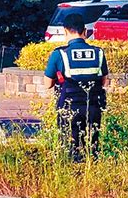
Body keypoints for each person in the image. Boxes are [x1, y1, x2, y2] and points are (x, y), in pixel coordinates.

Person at [44, 12, 108, 161]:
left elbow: (48, 84)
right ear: (85, 31)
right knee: (92, 147)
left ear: (65, 31)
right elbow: (103, 81)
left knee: (70, 147)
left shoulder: (59, 54)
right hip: (93, 107)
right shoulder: (98, 53)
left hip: (69, 108)